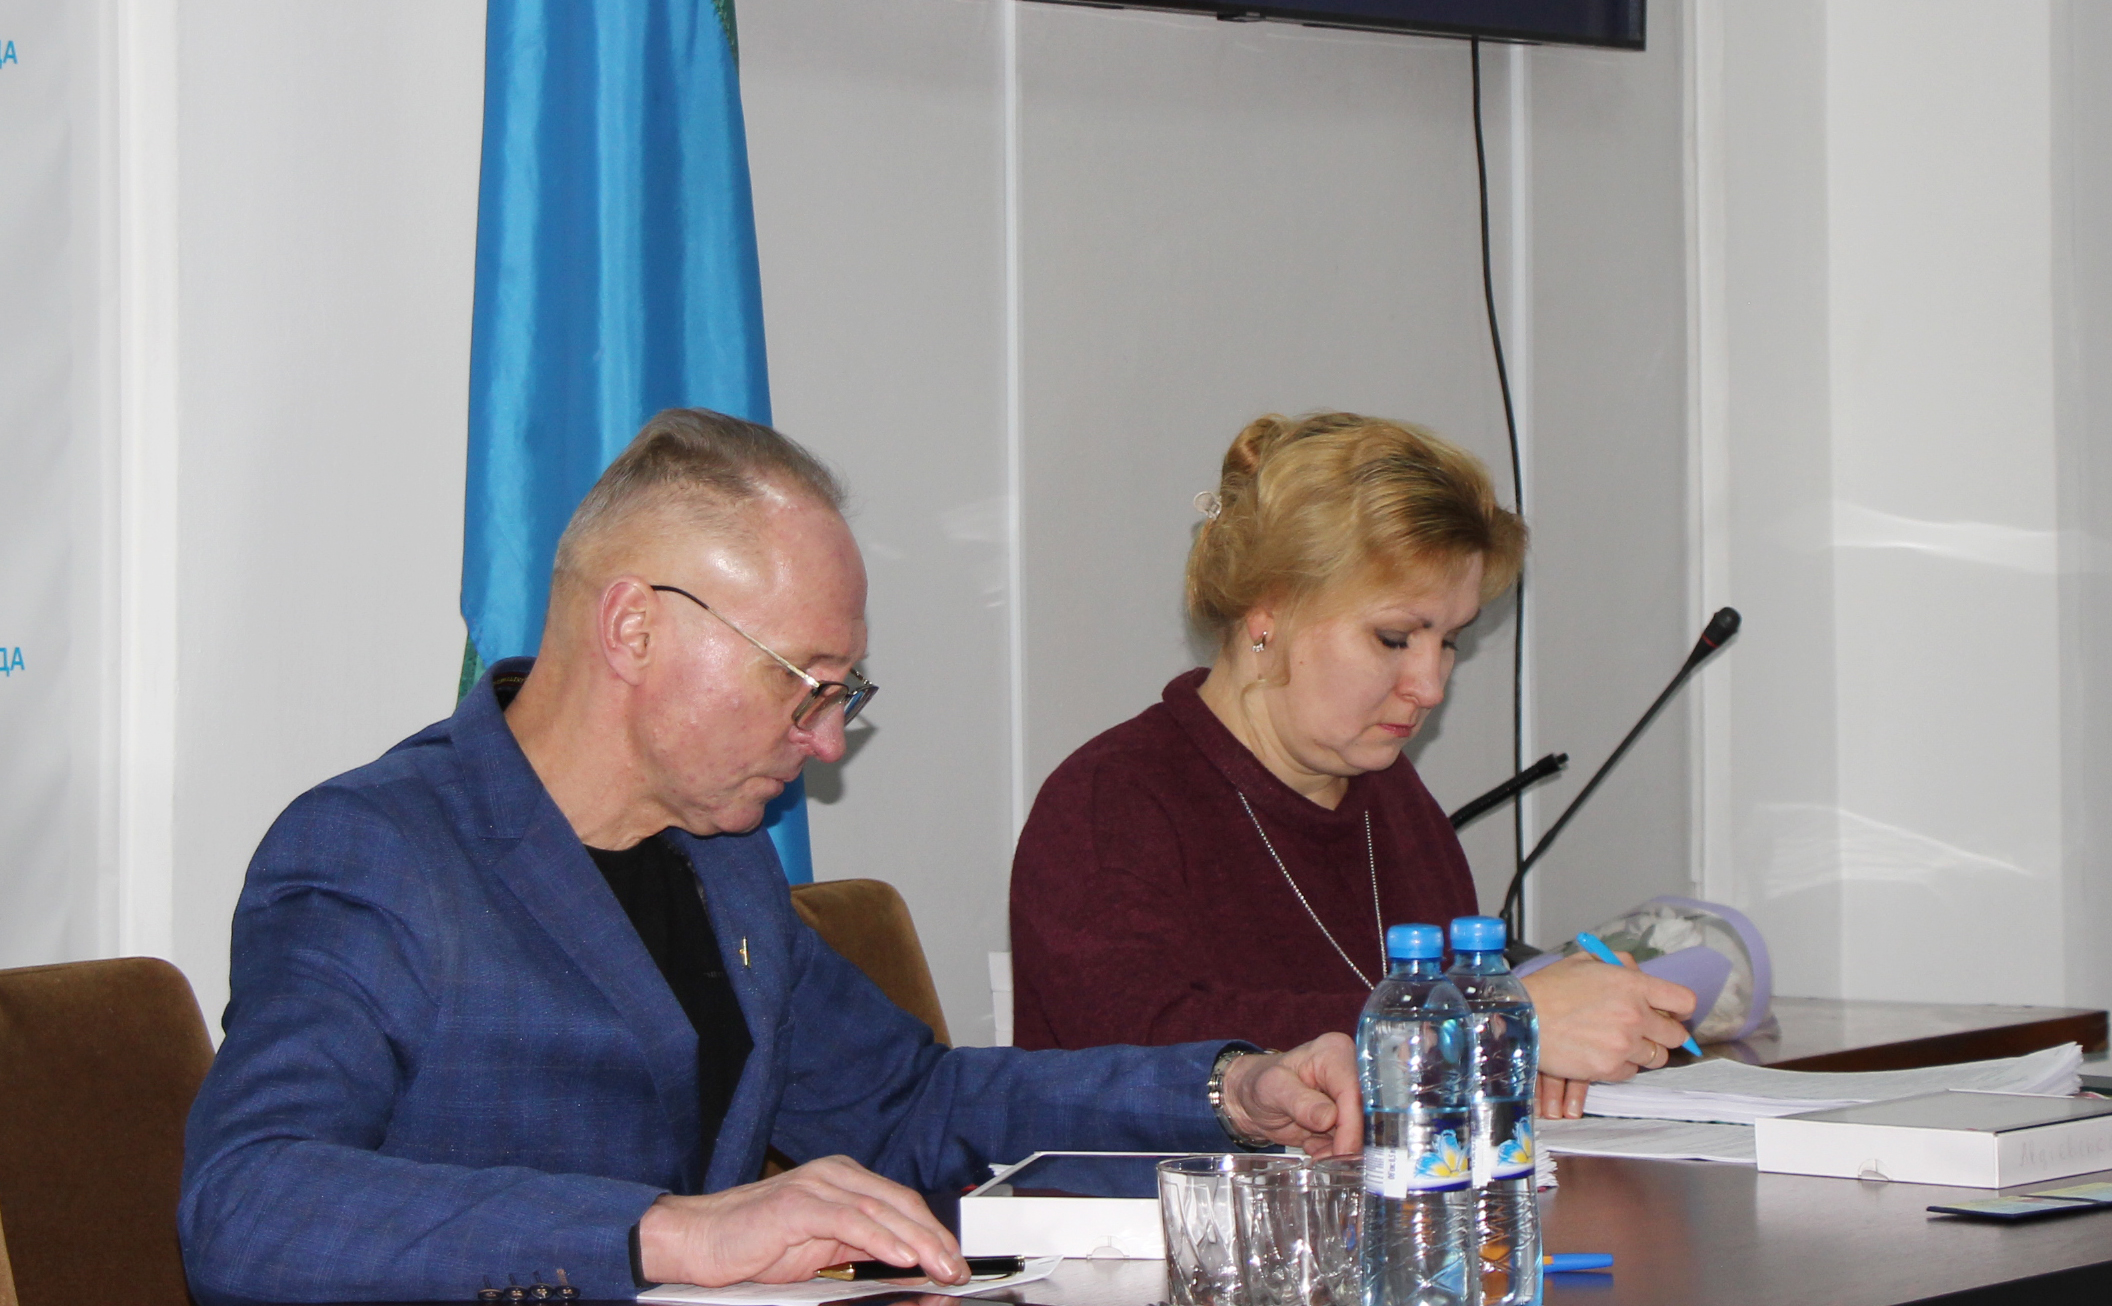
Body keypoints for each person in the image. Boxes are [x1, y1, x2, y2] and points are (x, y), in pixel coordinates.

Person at [180, 412, 1360, 1306]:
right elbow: (248, 1201)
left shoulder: (723, 863)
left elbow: (911, 1105)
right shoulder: (381, 852)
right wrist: (671, 1231)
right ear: (634, 627)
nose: (828, 740)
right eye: (806, 684)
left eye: (846, 694)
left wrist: (1229, 1093)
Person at [1008, 413, 1696, 1115]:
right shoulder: (1111, 800)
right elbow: (1140, 1059)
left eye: (1449, 641)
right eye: (1394, 638)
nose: (1430, 686)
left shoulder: (1394, 798)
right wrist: (1486, 1020)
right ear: (1268, 613)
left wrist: (1516, 1053)